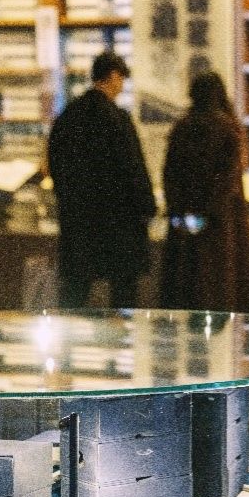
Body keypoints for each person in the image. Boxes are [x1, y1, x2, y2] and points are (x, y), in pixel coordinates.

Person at [48, 52, 156, 308]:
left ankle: (68, 332)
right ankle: (123, 333)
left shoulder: (68, 116)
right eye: (121, 79)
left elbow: (54, 163)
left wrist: (67, 199)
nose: (121, 86)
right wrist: (147, 206)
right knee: (123, 292)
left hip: (79, 219)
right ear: (113, 76)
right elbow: (133, 168)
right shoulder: (117, 118)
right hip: (119, 221)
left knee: (76, 290)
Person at [160, 71, 249, 311]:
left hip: (184, 221)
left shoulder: (182, 127)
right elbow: (227, 180)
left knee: (185, 286)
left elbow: (170, 174)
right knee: (219, 289)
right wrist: (211, 213)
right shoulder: (228, 128)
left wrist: (181, 211)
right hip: (220, 224)